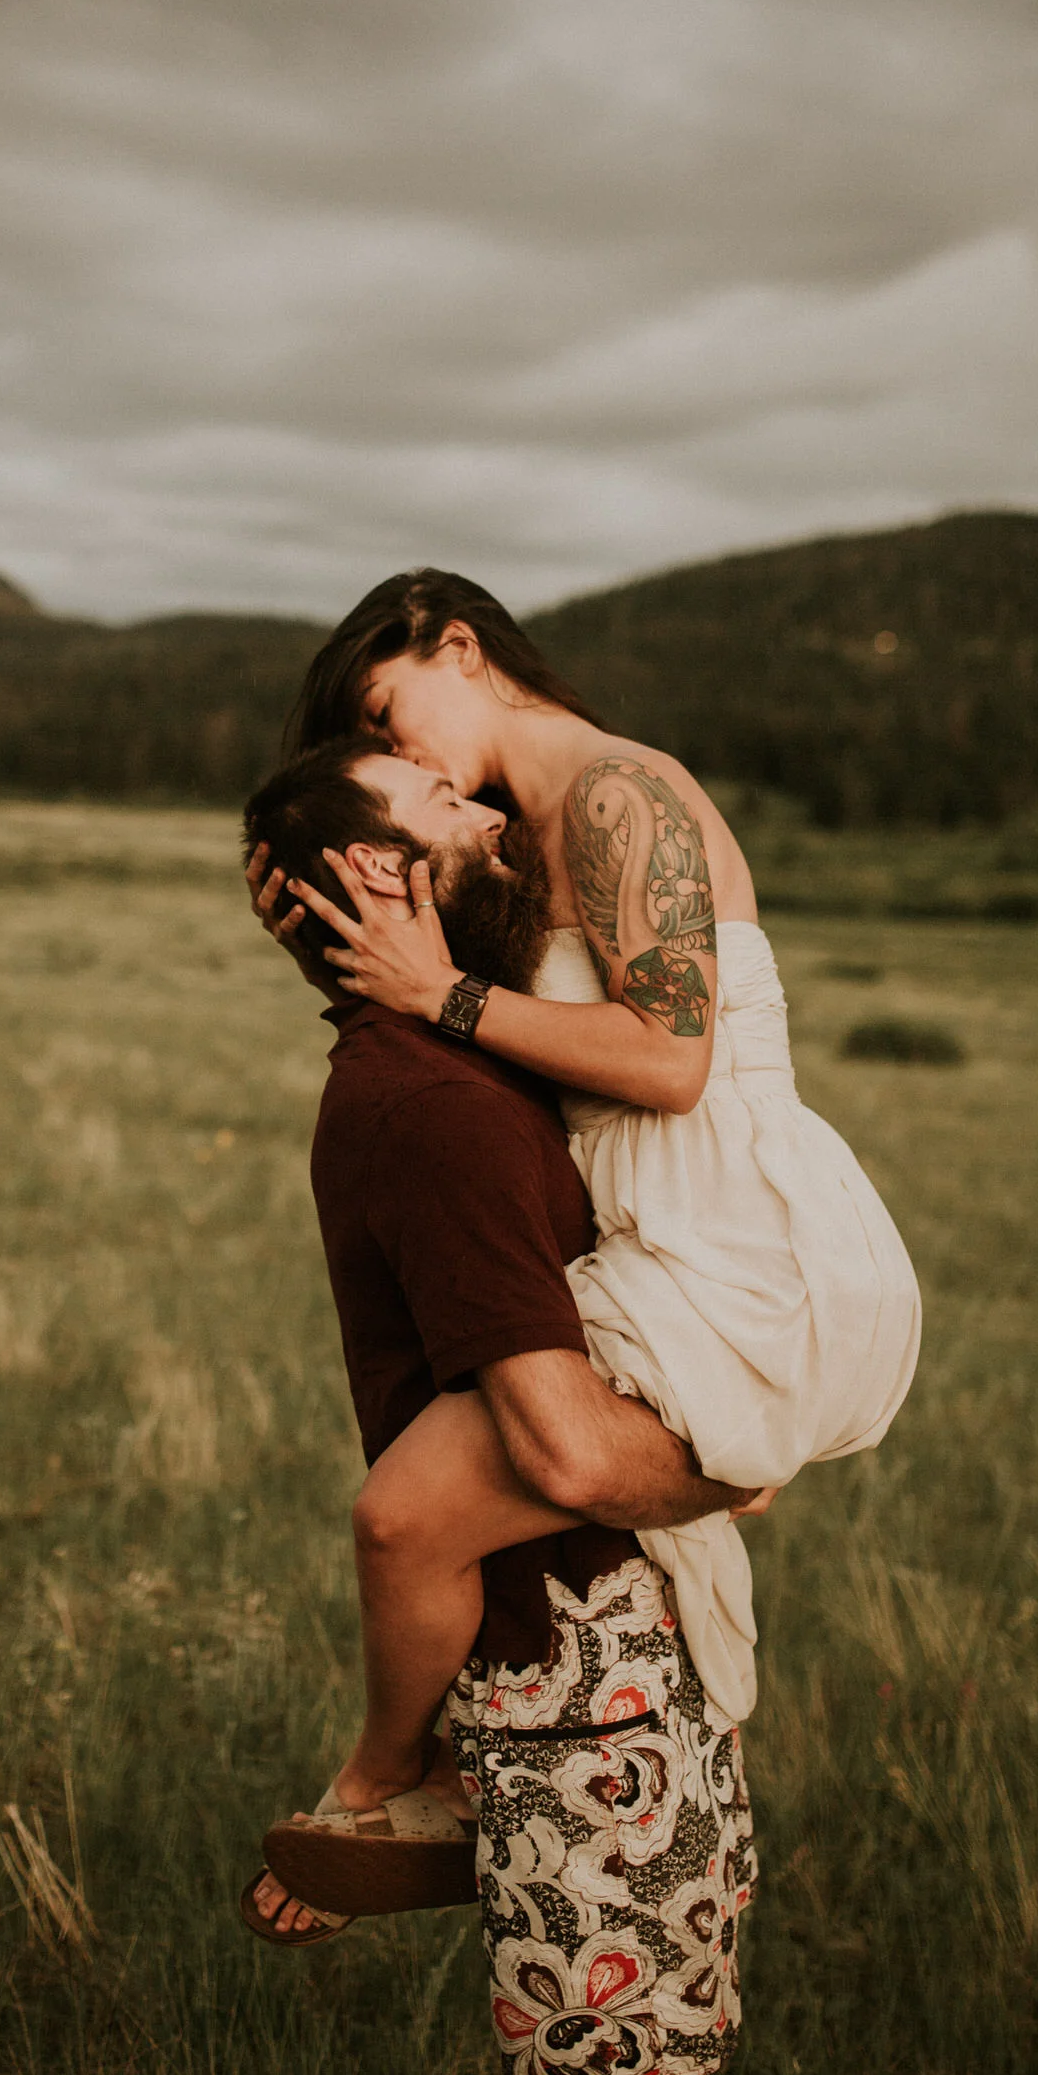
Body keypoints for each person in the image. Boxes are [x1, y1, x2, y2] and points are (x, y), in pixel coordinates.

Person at [246, 567, 921, 1741]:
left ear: (457, 648)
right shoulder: (518, 837)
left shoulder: (615, 795)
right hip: (663, 1233)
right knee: (449, 1495)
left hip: (729, 1234)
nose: (408, 757)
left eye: (380, 715)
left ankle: (396, 1781)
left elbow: (669, 1062)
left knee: (406, 1516)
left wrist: (444, 992)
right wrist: (323, 904)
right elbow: (463, 1008)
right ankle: (463, 1772)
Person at [240, 735, 761, 2075]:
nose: (484, 811)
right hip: (581, 1661)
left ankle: (403, 1791)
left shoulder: (452, 1063)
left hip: (572, 1648)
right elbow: (567, 1455)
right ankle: (390, 1787)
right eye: (438, 803)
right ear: (373, 867)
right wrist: (740, 1457)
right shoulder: (440, 1110)